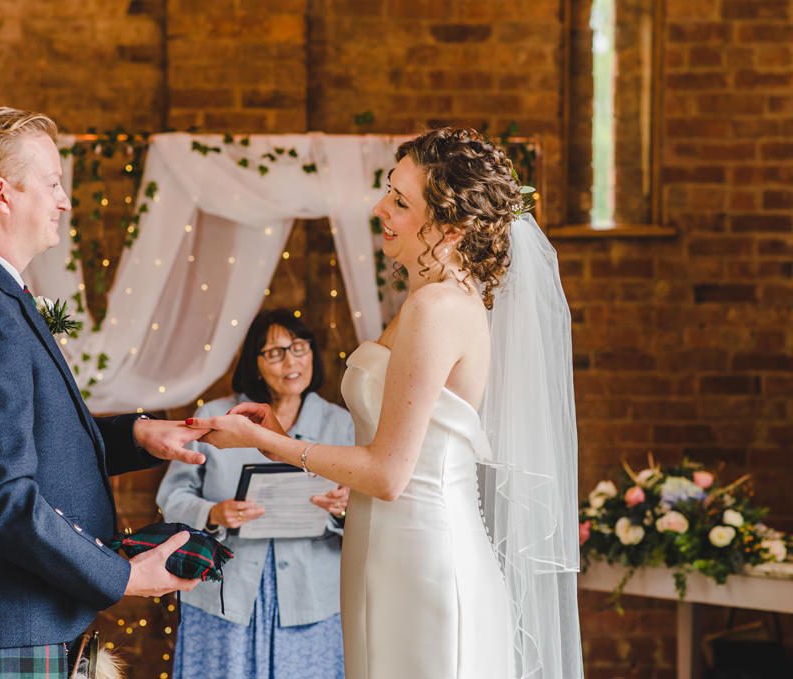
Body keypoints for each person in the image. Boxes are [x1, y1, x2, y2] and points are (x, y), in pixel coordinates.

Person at [198, 127, 583, 678]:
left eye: (400, 202)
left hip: (425, 556)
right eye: (387, 190)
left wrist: (267, 442)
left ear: (449, 230)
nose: (379, 207)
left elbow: (387, 473)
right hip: (381, 547)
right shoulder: (420, 300)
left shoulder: (439, 308)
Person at [0, 107, 209, 678]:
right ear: (2, 194)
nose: (64, 200)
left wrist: (137, 433)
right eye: (54, 183)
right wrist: (124, 576)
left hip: (9, 621)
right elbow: (0, 499)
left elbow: (28, 442)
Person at [157, 310, 352, 678]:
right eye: (275, 352)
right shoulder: (216, 416)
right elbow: (172, 498)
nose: (291, 361)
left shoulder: (340, 423)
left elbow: (367, 506)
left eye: (298, 347)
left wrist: (342, 510)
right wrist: (214, 514)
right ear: (255, 363)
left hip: (312, 600)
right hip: (225, 597)